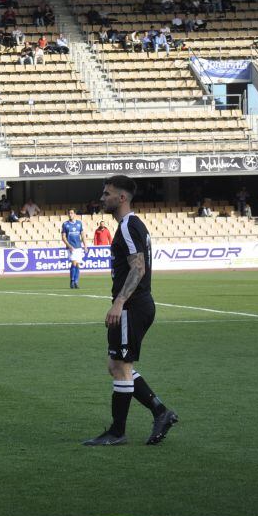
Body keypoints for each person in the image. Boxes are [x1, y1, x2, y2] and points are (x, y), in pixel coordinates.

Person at [83, 175, 178, 447]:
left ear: (122, 197)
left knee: (121, 367)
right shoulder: (130, 225)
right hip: (135, 305)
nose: (102, 198)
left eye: (107, 194)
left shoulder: (127, 226)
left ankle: (118, 432)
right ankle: (160, 412)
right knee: (116, 365)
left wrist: (119, 302)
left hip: (133, 306)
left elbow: (138, 267)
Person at [61, 209, 87, 289]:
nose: (70, 214)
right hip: (71, 247)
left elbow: (82, 235)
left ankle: (76, 282)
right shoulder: (65, 224)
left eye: (72, 213)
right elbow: (63, 237)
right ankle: (72, 281)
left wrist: (85, 245)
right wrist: (69, 246)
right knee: (74, 263)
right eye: (69, 213)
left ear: (75, 214)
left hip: (78, 247)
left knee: (78, 264)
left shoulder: (79, 223)